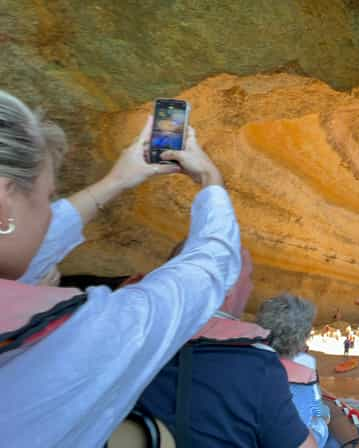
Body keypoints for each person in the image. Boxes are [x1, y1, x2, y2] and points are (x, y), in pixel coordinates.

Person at [0, 91, 240, 447]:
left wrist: (116, 181)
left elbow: (23, 246)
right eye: (47, 197)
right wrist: (210, 180)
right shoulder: (73, 334)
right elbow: (205, 272)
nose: (51, 212)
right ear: (4, 203)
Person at [137, 257, 316, 448]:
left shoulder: (133, 342)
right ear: (228, 286)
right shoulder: (256, 364)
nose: (251, 287)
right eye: (248, 278)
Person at [256, 293, 329, 447]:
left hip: (261, 435)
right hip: (297, 438)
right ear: (302, 336)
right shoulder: (307, 365)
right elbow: (316, 409)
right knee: (322, 422)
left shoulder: (250, 360)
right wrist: (326, 415)